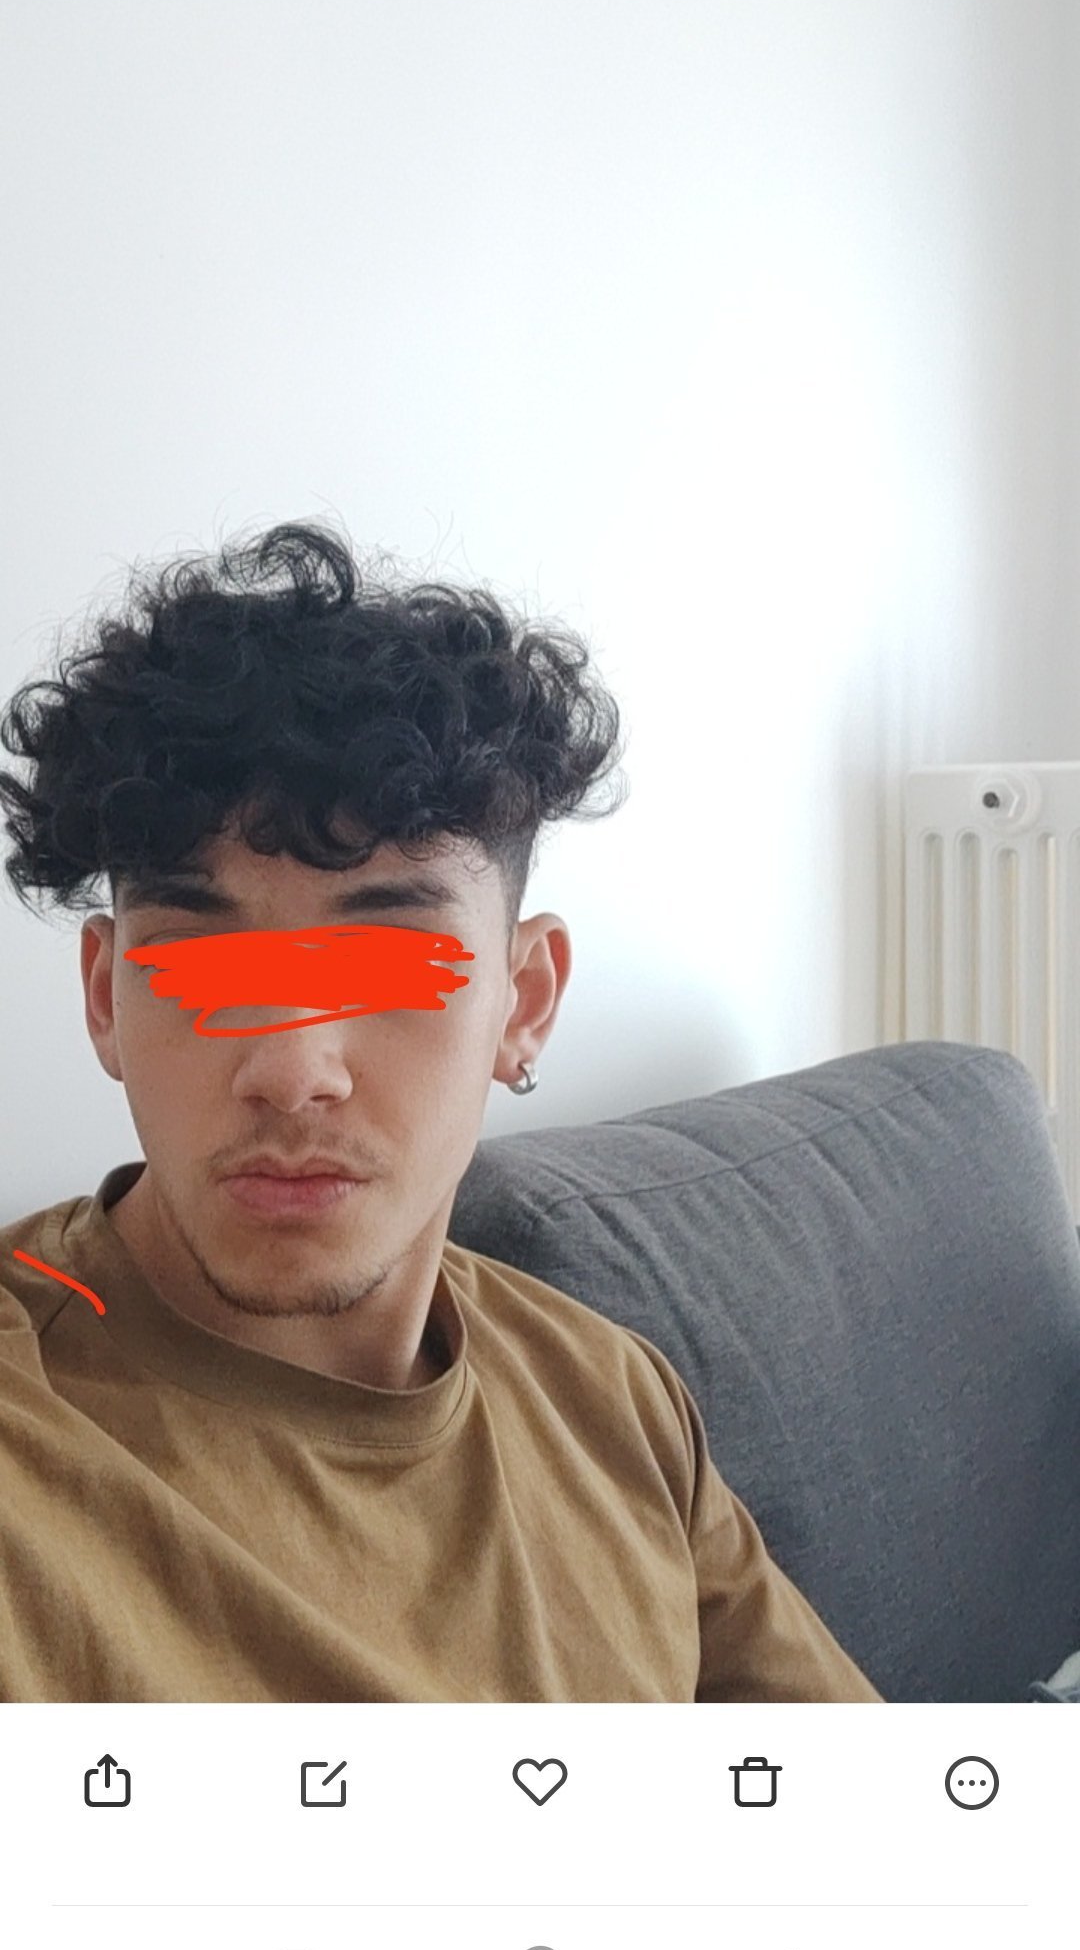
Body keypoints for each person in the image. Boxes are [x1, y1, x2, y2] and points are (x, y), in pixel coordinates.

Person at [0, 518, 881, 1704]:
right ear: (107, 998)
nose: (291, 1068)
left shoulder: (610, 1397)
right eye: (201, 966)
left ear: (524, 1003)